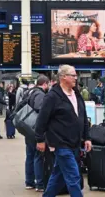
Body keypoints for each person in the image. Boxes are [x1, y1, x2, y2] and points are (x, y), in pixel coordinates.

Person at [35, 65, 91, 197]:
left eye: (76, 75)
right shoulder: (52, 97)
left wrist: (87, 137)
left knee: (58, 176)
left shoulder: (77, 95)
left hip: (75, 143)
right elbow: (42, 120)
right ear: (63, 77)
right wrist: (40, 140)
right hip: (60, 143)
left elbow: (83, 118)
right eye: (73, 75)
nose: (75, 78)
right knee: (73, 176)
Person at [24, 75, 49, 192]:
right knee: (38, 156)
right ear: (44, 83)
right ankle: (39, 183)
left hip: (27, 127)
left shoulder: (29, 92)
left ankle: (29, 181)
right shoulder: (40, 94)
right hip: (35, 128)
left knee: (29, 155)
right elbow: (40, 110)